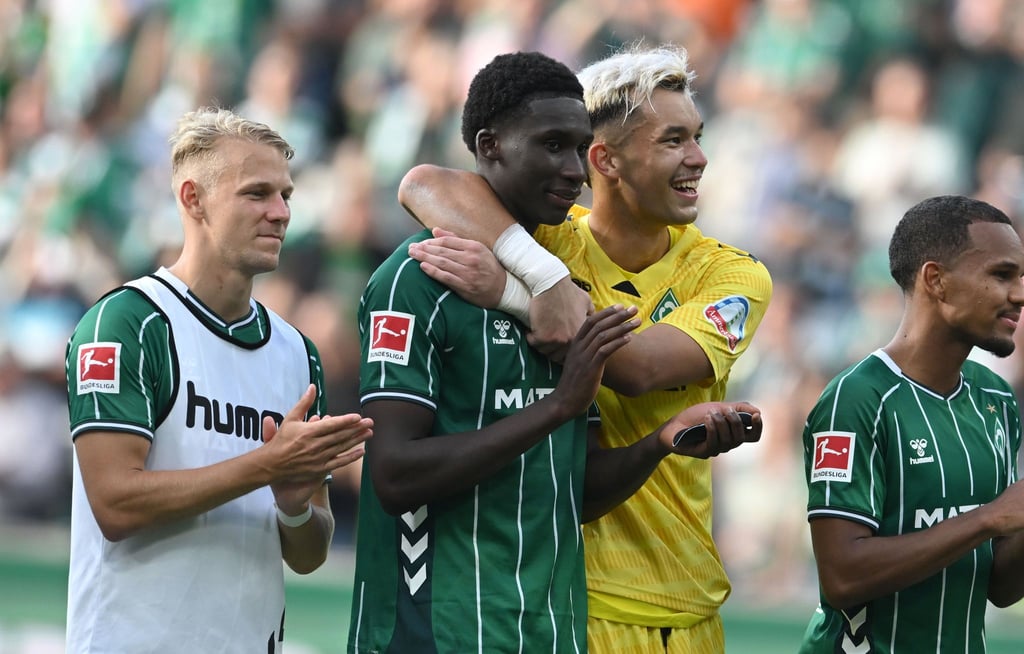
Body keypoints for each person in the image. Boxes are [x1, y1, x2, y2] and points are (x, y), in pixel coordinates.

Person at [347, 51, 762, 654]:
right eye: (674, 140)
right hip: (568, 605)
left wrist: (513, 293)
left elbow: (640, 369)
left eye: (697, 137)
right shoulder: (544, 241)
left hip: (678, 599)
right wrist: (538, 281)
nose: (698, 157)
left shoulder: (731, 272)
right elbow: (425, 184)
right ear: (607, 160)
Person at [64, 107, 373, 653]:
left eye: (286, 196)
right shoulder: (129, 323)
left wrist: (295, 504)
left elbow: (308, 555)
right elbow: (114, 503)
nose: (280, 213)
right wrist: (268, 466)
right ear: (193, 199)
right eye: (257, 194)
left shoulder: (297, 353)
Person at [799, 195, 1024, 653]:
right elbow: (842, 576)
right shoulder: (857, 399)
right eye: (1002, 275)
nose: (1019, 293)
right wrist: (986, 519)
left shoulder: (997, 399)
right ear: (936, 280)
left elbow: (999, 586)